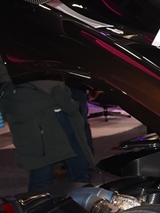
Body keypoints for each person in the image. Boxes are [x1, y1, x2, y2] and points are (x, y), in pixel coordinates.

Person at [0, 59, 94, 192]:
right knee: (42, 174)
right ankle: (38, 206)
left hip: (57, 96)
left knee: (79, 168)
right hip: (30, 103)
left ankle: (82, 203)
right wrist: (10, 93)